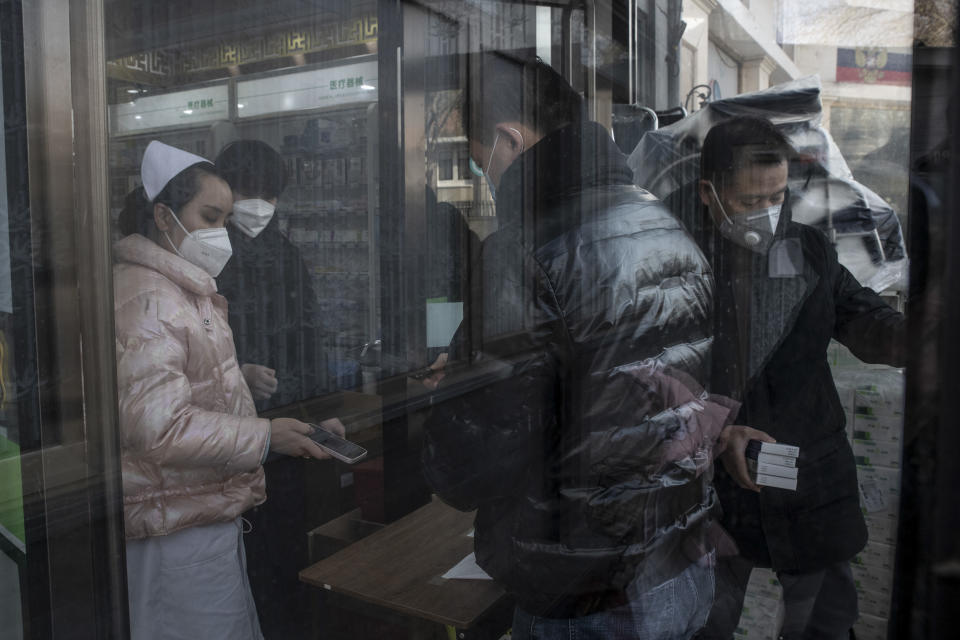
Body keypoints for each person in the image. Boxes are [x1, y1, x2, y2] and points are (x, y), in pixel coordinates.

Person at [422, 52, 764, 640]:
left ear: (509, 138)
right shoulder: (663, 221)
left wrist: (452, 400)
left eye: (484, 164)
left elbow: (474, 456)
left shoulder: (525, 250)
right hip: (678, 558)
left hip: (586, 588)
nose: (488, 178)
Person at [686, 116, 907, 639]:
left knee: (826, 619)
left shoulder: (809, 249)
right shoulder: (679, 262)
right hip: (718, 480)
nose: (765, 213)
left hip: (808, 472)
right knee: (705, 620)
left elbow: (864, 320)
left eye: (777, 196)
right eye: (747, 202)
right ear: (708, 192)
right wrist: (708, 426)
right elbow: (646, 375)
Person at [114, 141, 341, 639]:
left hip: (202, 507)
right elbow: (159, 426)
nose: (222, 234)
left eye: (225, 217)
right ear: (163, 216)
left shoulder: (186, 288)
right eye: (210, 216)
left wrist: (300, 417)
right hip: (174, 520)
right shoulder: (150, 298)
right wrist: (264, 435)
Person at [214, 139, 319, 411]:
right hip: (226, 417)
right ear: (223, 189)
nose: (258, 205)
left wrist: (322, 410)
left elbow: (309, 336)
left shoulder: (287, 254)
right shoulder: (207, 252)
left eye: (269, 196)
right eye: (248, 192)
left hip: (289, 405)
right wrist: (236, 372)